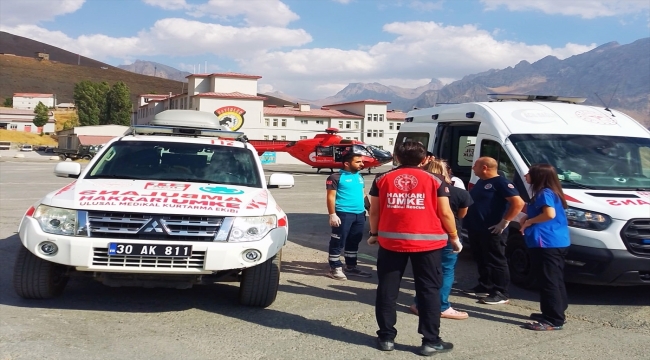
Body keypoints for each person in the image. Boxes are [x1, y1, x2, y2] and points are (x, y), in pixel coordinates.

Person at [367, 141, 461, 356]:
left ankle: (386, 337)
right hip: (428, 245)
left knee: (387, 290)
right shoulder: (435, 179)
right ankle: (430, 341)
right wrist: (454, 237)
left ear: (397, 157)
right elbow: (445, 213)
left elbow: (374, 211)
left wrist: (374, 234)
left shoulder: (382, 178)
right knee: (428, 291)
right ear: (424, 159)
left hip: (391, 243)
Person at [409, 159, 473, 320]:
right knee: (445, 271)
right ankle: (441, 306)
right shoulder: (460, 193)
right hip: (448, 236)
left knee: (425, 271)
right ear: (447, 172)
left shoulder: (417, 191)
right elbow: (461, 215)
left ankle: (419, 303)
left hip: (422, 235)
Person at [463, 157, 525, 305]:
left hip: (493, 229)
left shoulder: (501, 183)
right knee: (481, 258)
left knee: (496, 260)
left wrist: (504, 221)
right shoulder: (481, 182)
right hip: (476, 228)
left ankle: (501, 292)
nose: (473, 168)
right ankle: (485, 285)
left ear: (484, 167)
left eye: (475, 166)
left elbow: (518, 203)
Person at [519, 164, 570, 331]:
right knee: (555, 278)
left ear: (538, 176)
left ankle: (553, 319)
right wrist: (528, 216)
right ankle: (556, 311)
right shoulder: (552, 192)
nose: (526, 176)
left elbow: (549, 214)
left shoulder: (544, 193)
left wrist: (529, 222)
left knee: (548, 280)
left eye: (529, 174)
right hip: (558, 240)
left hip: (546, 242)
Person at [326, 152, 372, 280]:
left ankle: (351, 266)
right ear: (347, 163)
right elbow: (331, 197)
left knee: (354, 241)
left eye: (362, 162)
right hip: (343, 214)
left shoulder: (359, 176)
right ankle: (334, 268)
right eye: (358, 162)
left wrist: (369, 208)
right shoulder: (335, 177)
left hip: (359, 214)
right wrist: (332, 214)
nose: (362, 164)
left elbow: (363, 194)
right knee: (338, 241)